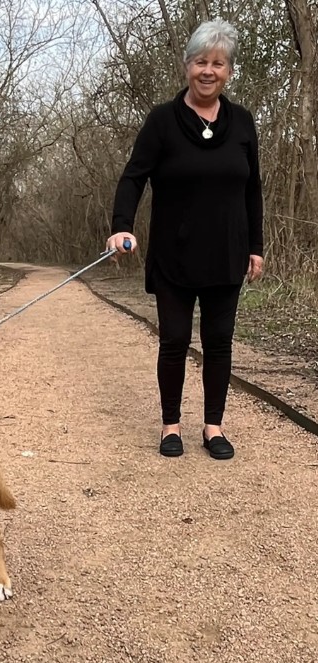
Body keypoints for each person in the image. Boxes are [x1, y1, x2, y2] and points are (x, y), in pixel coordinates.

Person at [106, 18, 264, 460]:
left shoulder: (244, 123)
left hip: (228, 253)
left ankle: (213, 427)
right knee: (174, 340)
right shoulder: (162, 121)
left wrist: (257, 246)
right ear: (186, 66)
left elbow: (253, 189)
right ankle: (170, 425)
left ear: (229, 70)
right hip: (174, 255)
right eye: (200, 62)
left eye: (217, 63)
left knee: (219, 341)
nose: (208, 70)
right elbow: (133, 177)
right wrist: (122, 224)